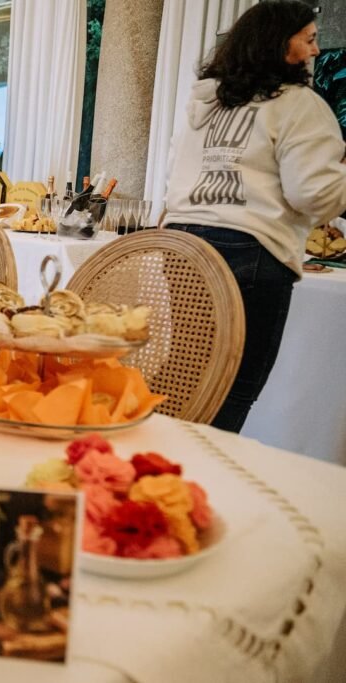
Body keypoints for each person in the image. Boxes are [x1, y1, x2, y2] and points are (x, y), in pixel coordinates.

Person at [163, 0, 346, 432]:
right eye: (309, 39)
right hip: (251, 250)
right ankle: (200, 487)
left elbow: (175, 174)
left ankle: (158, 475)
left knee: (185, 381)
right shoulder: (299, 104)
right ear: (282, 47)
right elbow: (314, 195)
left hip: (184, 247)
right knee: (234, 390)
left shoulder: (205, 103)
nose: (317, 51)